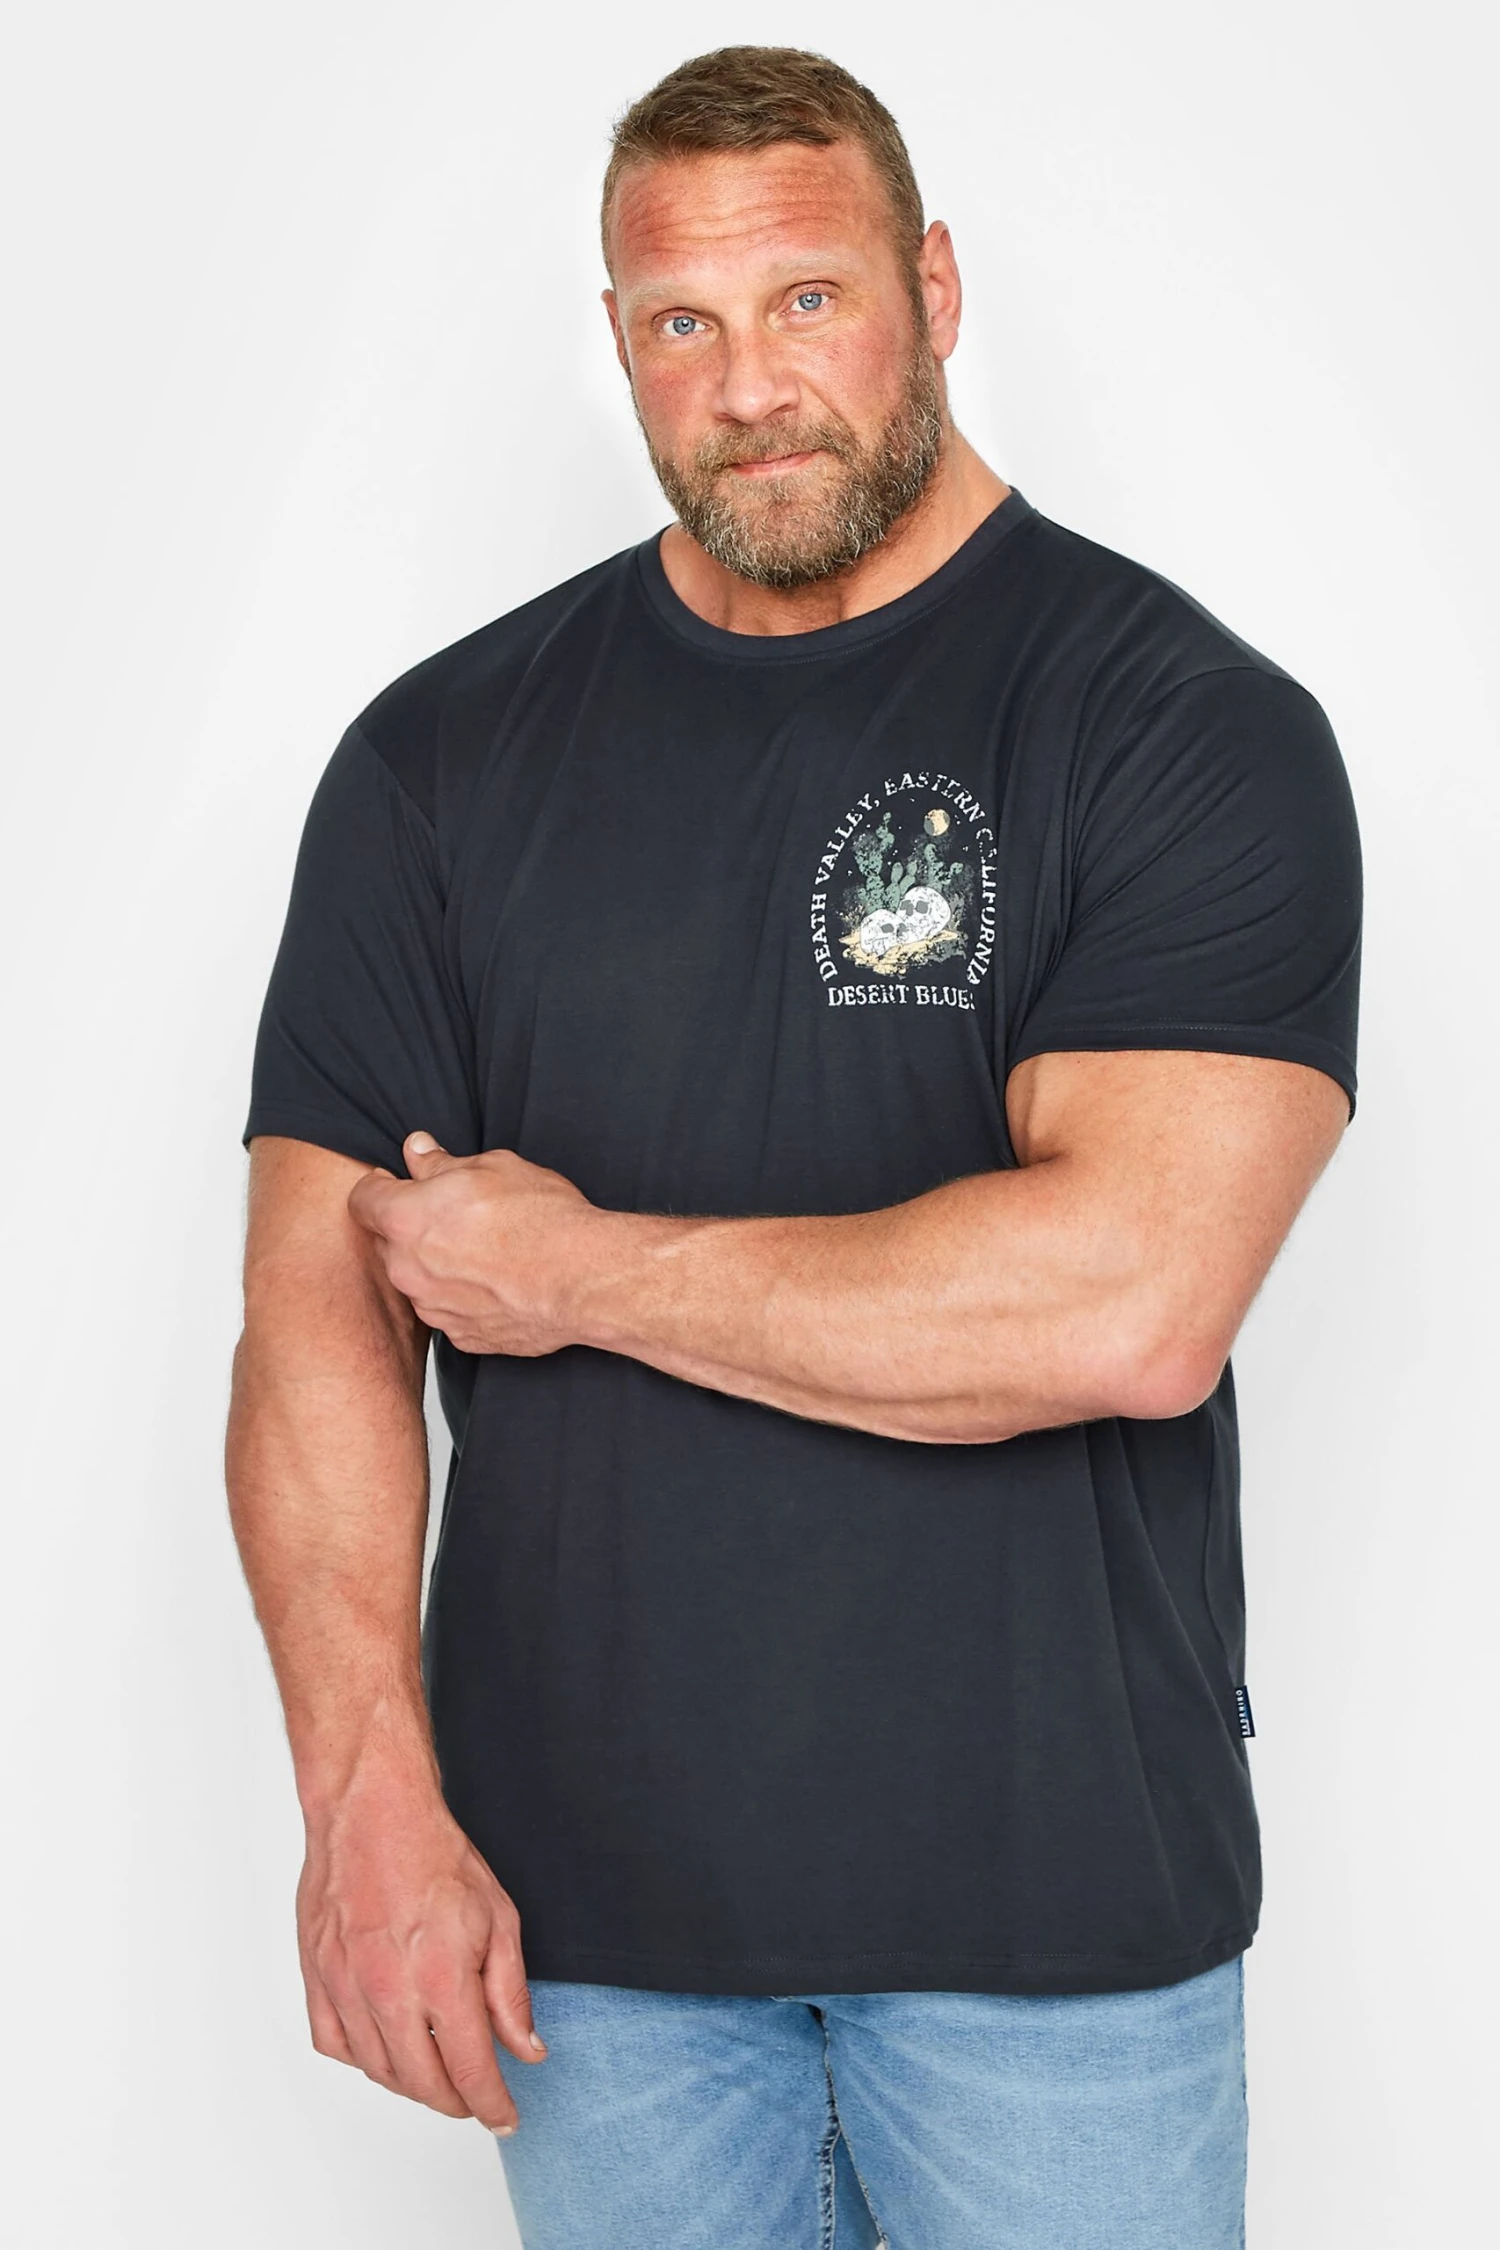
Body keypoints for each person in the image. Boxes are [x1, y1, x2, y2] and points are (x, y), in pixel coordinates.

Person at [227, 44, 1361, 2250]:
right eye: (683, 321)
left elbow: (1126, 1302)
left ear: (935, 285)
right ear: (616, 340)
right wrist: (363, 1790)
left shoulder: (1178, 727)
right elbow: (310, 1321)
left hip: (1055, 1939)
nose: (750, 386)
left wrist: (571, 1273)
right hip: (593, 1956)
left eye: (810, 299)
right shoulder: (439, 762)